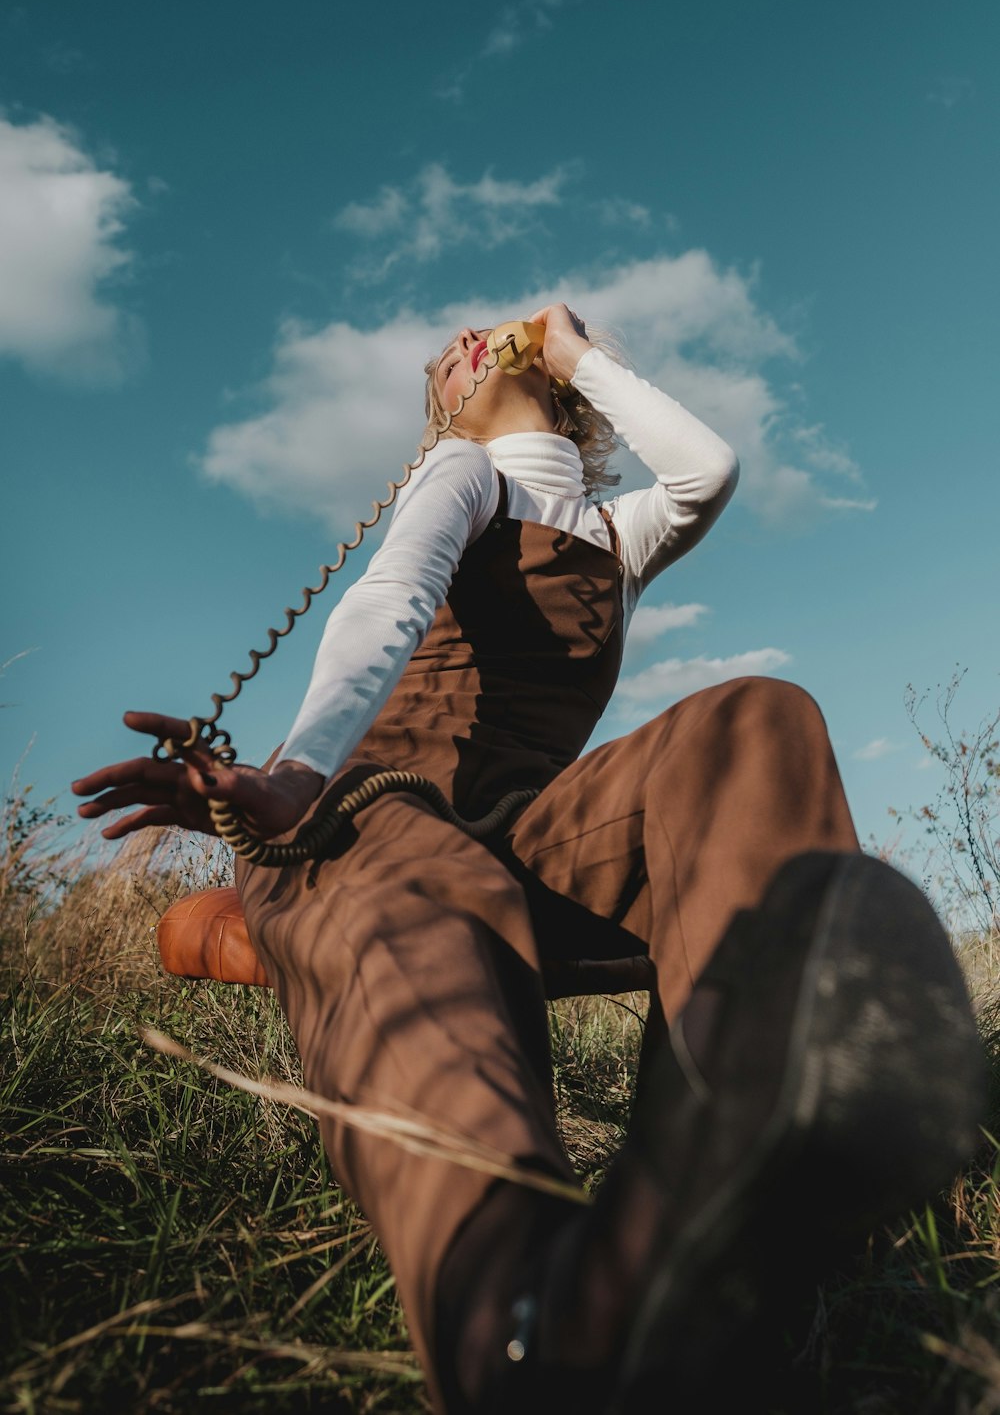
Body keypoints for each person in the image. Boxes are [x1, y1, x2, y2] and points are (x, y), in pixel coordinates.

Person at [73, 304, 984, 1413]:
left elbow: (708, 470)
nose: (465, 338)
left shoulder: (615, 537)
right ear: (440, 414)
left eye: (478, 335)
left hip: (517, 836)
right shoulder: (460, 475)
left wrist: (581, 357)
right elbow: (389, 598)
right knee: (431, 872)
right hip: (349, 821)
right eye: (442, 358)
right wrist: (300, 778)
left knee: (756, 717)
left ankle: (734, 1166)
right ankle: (527, 1310)